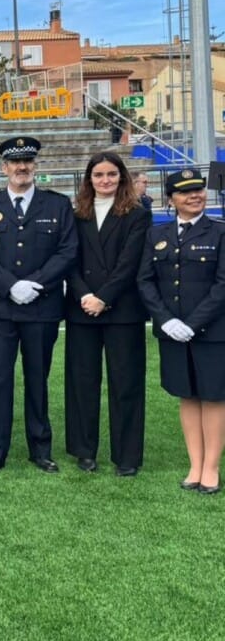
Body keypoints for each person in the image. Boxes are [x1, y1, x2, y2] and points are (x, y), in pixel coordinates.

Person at [0, 136, 77, 477]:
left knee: (37, 380)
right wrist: (11, 285)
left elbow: (67, 250)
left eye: (27, 161)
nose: (21, 167)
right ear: (4, 168)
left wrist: (37, 283)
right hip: (0, 308)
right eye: (15, 162)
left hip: (41, 307)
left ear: (35, 165)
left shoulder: (57, 205)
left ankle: (40, 449)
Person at [138, 168, 225, 494]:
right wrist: (165, 320)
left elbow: (222, 285)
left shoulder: (219, 232)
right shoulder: (156, 234)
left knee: (214, 397)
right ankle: (195, 465)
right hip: (172, 331)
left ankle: (211, 468)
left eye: (199, 191)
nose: (195, 196)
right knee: (186, 394)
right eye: (186, 192)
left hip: (213, 331)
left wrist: (193, 323)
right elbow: (145, 281)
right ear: (172, 199)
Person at [65, 152, 151, 476]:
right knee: (82, 383)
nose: (105, 180)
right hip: (81, 308)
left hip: (123, 310)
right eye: (98, 175)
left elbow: (129, 264)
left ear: (121, 177)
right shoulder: (76, 215)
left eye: (111, 174)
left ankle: (126, 456)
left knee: (126, 384)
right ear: (89, 179)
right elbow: (68, 260)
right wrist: (85, 294)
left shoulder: (137, 215)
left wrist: (103, 297)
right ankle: (84, 450)